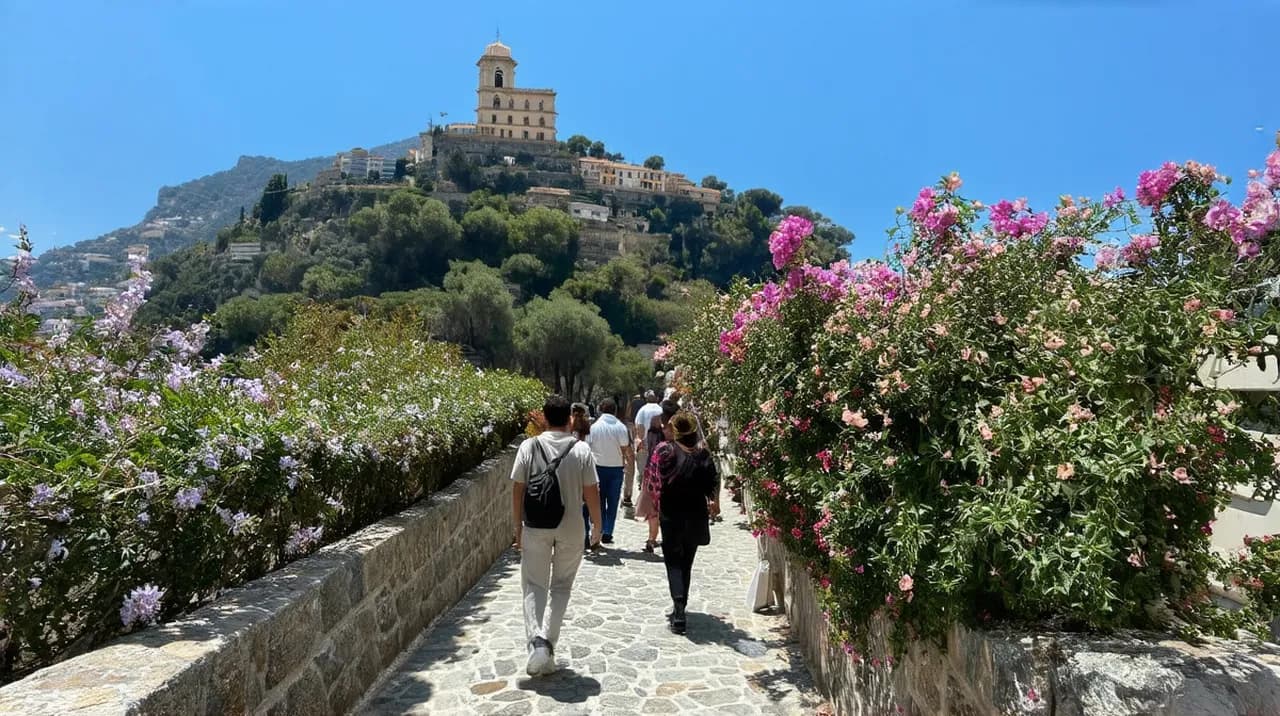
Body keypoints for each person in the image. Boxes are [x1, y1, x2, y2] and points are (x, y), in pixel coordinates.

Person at [511, 394, 603, 676]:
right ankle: (546, 644)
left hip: (536, 525)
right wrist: (597, 528)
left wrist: (517, 527)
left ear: (544, 416)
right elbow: (591, 492)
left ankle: (538, 644)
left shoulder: (529, 446)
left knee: (534, 585)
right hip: (572, 526)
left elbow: (517, 488)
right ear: (569, 419)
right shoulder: (581, 450)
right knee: (562, 585)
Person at [646, 410, 720, 635]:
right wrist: (715, 502)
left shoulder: (665, 452)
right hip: (696, 516)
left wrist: (654, 507)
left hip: (671, 516)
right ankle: (681, 605)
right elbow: (713, 484)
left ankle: (678, 608)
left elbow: (652, 481)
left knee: (673, 562)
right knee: (686, 562)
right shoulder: (704, 457)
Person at [584, 398, 634, 546]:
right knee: (612, 502)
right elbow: (625, 449)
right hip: (616, 470)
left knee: (597, 501)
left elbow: (587, 447)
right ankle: (608, 531)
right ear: (615, 411)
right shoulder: (620, 427)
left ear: (601, 409)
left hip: (597, 468)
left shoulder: (594, 427)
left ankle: (598, 529)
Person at [635, 400, 679, 552]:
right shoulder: (681, 428)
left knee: (653, 509)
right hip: (673, 474)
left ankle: (652, 539)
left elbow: (647, 445)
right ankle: (669, 539)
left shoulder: (654, 426)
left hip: (653, 471)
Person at [627, 390, 662, 507]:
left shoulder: (642, 410)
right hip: (659, 445)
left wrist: (640, 440)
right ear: (656, 398)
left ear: (646, 399)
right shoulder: (660, 409)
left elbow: (639, 426)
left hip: (645, 444)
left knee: (643, 472)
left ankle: (644, 499)